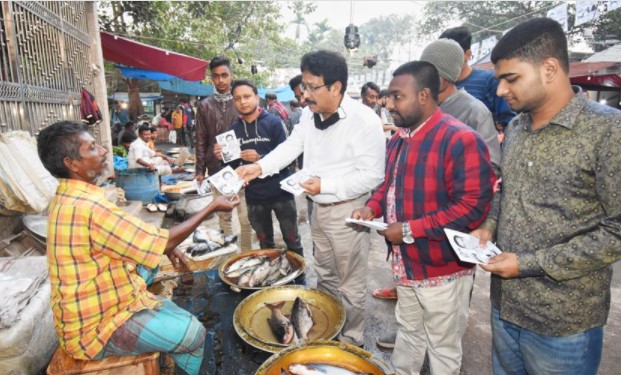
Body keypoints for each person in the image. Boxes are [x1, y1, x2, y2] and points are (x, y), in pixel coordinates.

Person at [471, 18, 621, 375]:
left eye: (511, 79)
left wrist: (526, 264)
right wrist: (488, 227)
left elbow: (617, 231)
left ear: (549, 68)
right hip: (505, 306)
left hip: (563, 321)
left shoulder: (608, 131)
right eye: (500, 81)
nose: (502, 91)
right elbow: (506, 189)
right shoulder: (517, 127)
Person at [37, 121, 240, 375]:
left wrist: (164, 246)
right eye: (92, 148)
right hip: (95, 328)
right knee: (194, 334)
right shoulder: (89, 208)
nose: (103, 151)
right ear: (72, 163)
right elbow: (162, 241)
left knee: (150, 260)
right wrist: (211, 206)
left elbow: (143, 239)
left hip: (95, 302)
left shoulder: (67, 196)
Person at [351, 61, 494, 374]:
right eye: (388, 96)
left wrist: (407, 229)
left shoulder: (460, 139)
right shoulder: (400, 138)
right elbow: (387, 186)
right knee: (409, 332)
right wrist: (371, 208)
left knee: (442, 347)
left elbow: (473, 206)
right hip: (406, 263)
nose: (389, 104)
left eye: (397, 96)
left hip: (442, 266)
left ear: (425, 96)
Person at [237, 50, 386, 347]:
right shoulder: (308, 114)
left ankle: (351, 341)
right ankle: (329, 331)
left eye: (312, 87)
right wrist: (260, 166)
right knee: (326, 275)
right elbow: (293, 145)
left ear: (336, 87)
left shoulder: (365, 121)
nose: (304, 95)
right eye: (303, 87)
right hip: (317, 207)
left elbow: (373, 175)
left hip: (348, 212)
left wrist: (325, 184)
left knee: (351, 283)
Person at [215, 79, 302, 255]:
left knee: (292, 239)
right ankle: (269, 278)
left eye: (247, 96)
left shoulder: (274, 123)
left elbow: (289, 158)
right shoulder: (233, 130)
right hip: (254, 197)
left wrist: (260, 159)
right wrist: (221, 156)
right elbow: (232, 167)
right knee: (265, 244)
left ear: (256, 97)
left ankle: (299, 280)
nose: (243, 101)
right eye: (238, 98)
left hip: (281, 192)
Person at [195, 55, 252, 251]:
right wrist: (200, 169)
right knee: (224, 217)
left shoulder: (241, 103)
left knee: (245, 219)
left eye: (224, 75)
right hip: (216, 168)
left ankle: (246, 256)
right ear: (211, 78)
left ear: (231, 75)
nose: (220, 80)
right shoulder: (204, 105)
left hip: (241, 168)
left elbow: (251, 133)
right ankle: (229, 256)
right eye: (216, 76)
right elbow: (200, 138)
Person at [440, 26, 515, 129]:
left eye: (452, 54)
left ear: (467, 54)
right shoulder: (439, 86)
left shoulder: (489, 80)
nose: (446, 60)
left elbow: (509, 121)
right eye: (442, 55)